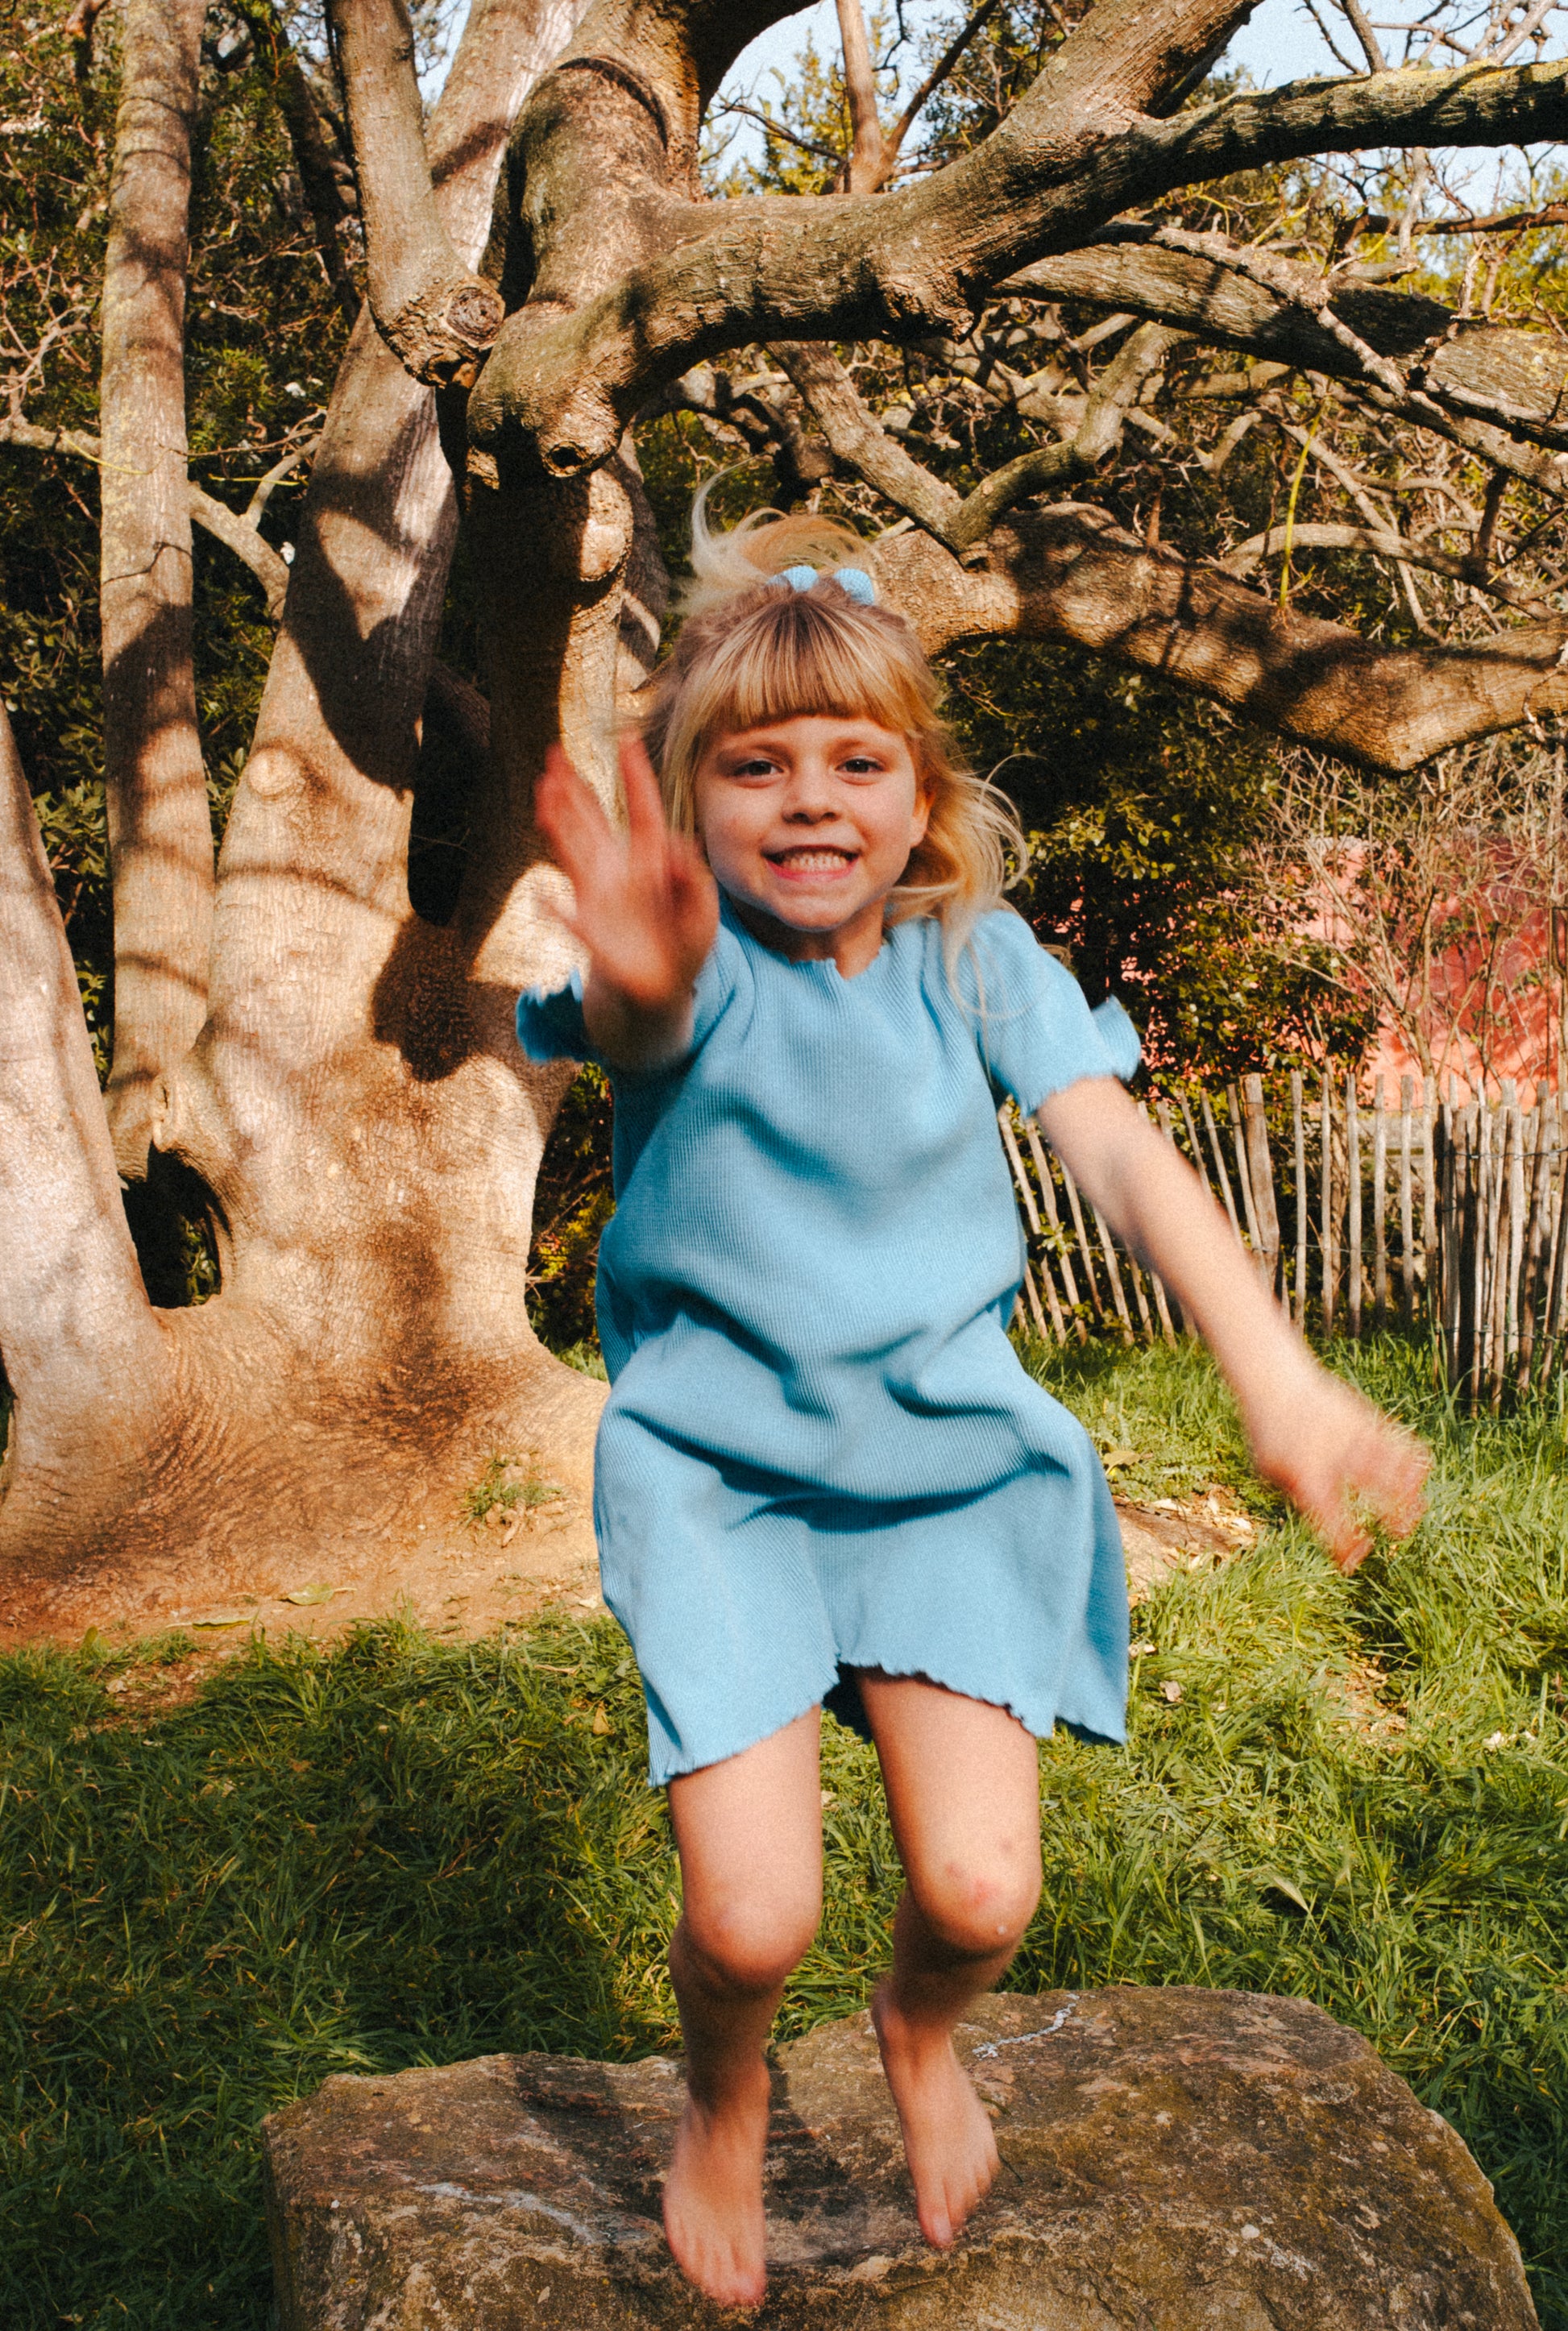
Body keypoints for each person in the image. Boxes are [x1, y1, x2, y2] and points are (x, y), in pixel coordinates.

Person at [516, 505, 1428, 2311]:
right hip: (723, 1484)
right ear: (689, 807)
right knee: (747, 1916)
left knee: (981, 1895)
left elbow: (1130, 1168)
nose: (806, 799)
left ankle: (917, 2036)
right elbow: (632, 1022)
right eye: (753, 764)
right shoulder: (688, 977)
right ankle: (725, 2089)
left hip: (945, 1478)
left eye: (855, 760)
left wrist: (1285, 1383)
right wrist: (635, 966)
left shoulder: (975, 962)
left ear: (920, 800)